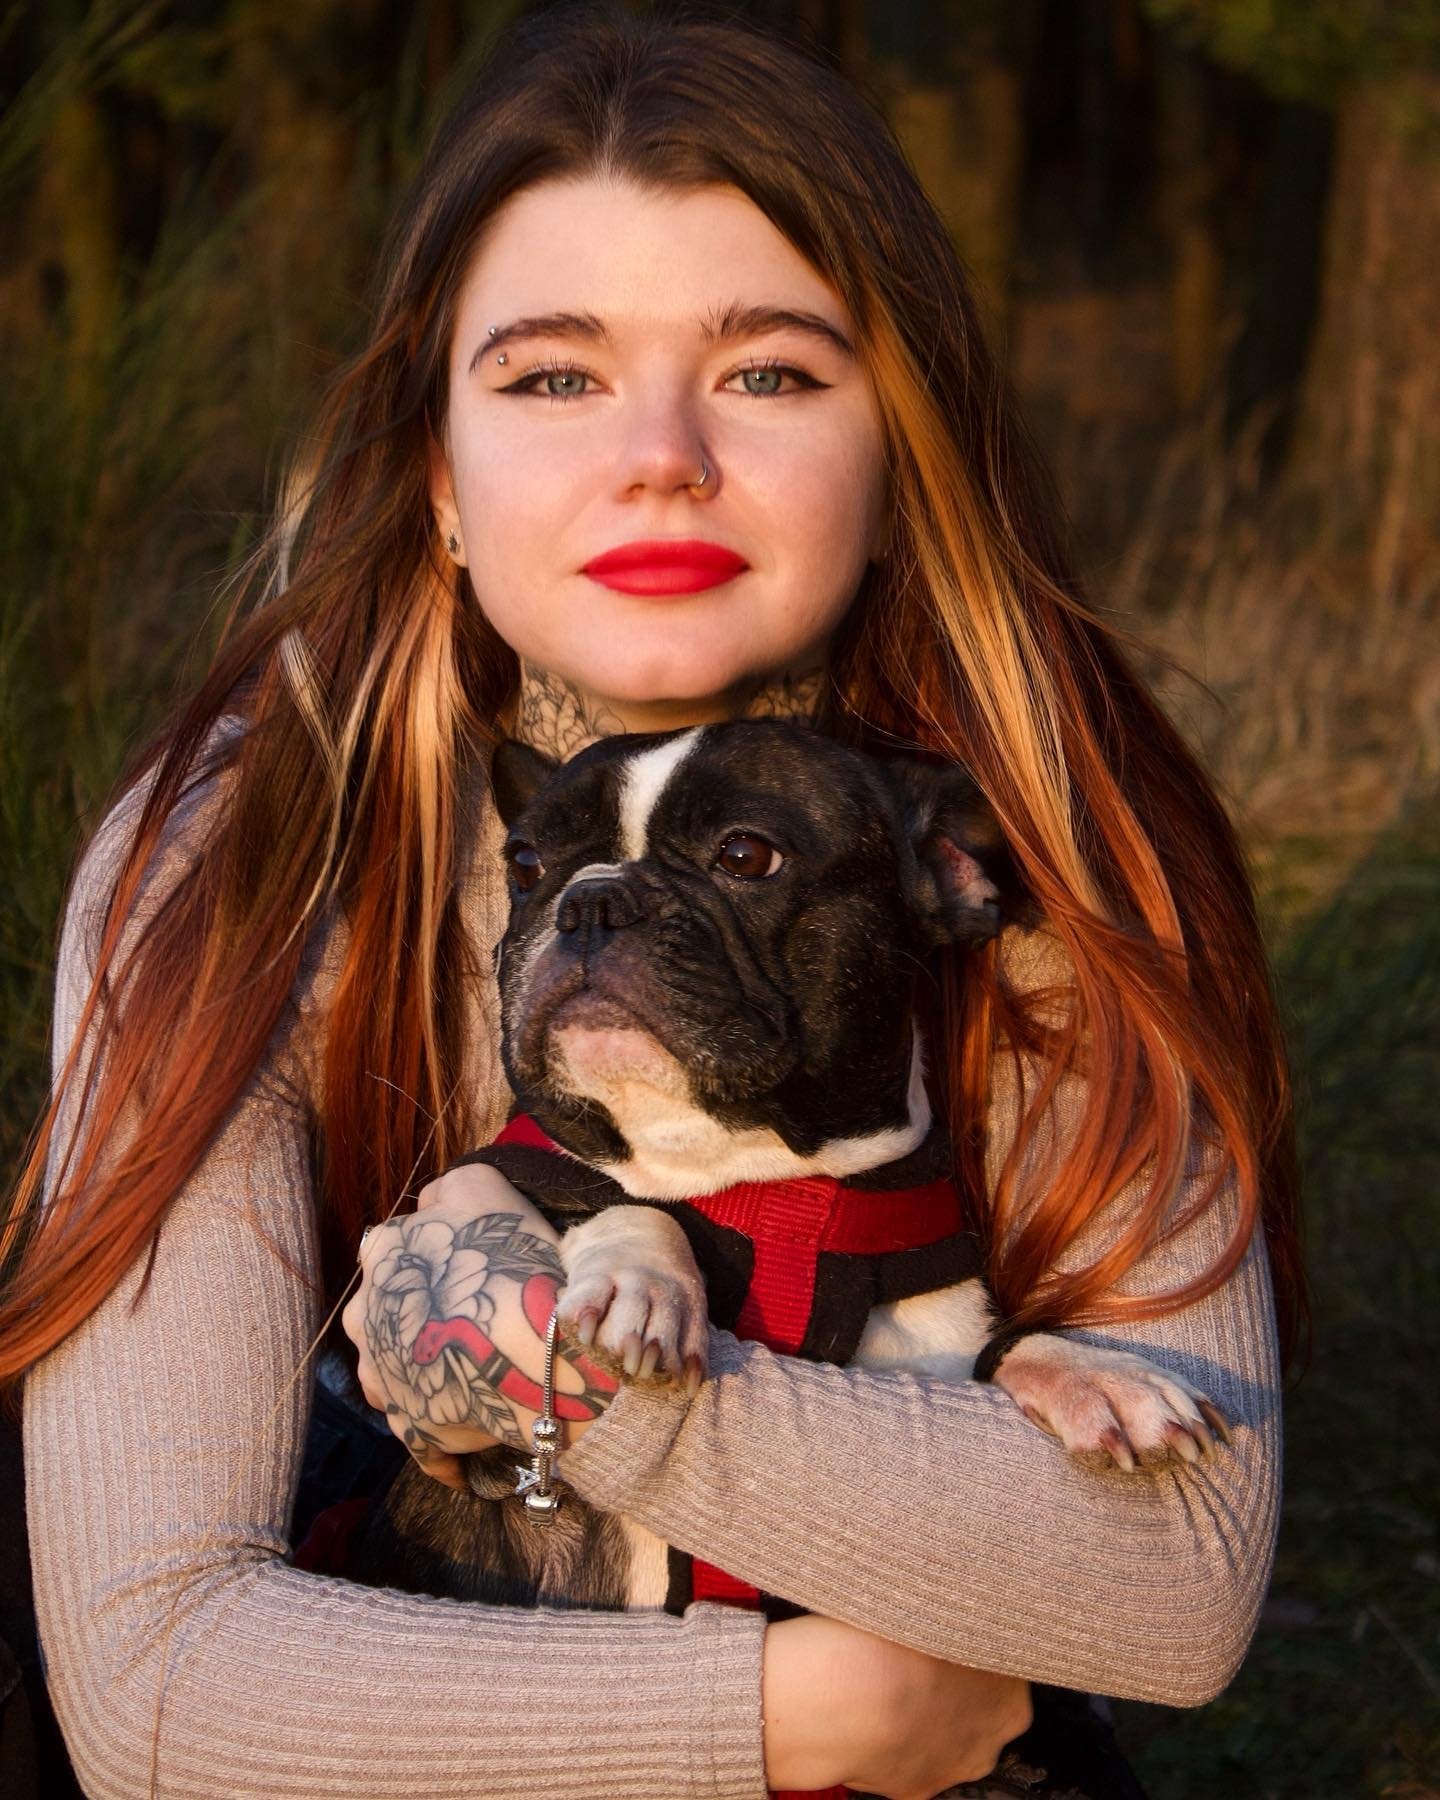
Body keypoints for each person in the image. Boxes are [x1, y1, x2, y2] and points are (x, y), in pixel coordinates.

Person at [2, 6, 1303, 1798]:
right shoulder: (238, 851)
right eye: (554, 377)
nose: (664, 451)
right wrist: (793, 1714)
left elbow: (1174, 1587)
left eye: (770, 373)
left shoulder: (1026, 833)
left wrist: (550, 1368)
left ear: (902, 454)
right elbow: (157, 1689)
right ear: (441, 480)